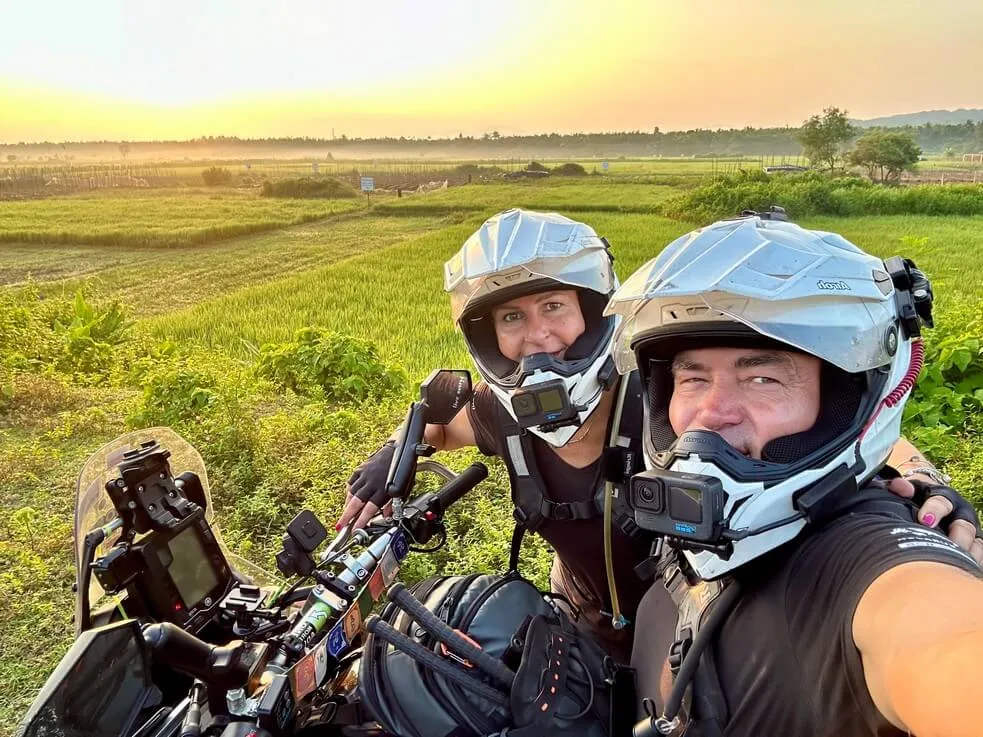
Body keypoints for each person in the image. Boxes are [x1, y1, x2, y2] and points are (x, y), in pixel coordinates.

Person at [338, 208, 979, 663]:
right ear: (490, 340)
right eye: (512, 318)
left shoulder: (666, 400)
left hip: (690, 639)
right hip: (579, 631)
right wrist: (393, 451)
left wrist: (927, 481)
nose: (537, 337)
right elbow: (436, 416)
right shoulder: (501, 414)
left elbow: (851, 438)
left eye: (554, 307)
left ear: (593, 313)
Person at [609, 214, 983, 736]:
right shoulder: (689, 525)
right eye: (693, 377)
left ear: (842, 403)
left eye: (762, 378)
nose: (710, 415)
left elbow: (945, 641)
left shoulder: (869, 567)